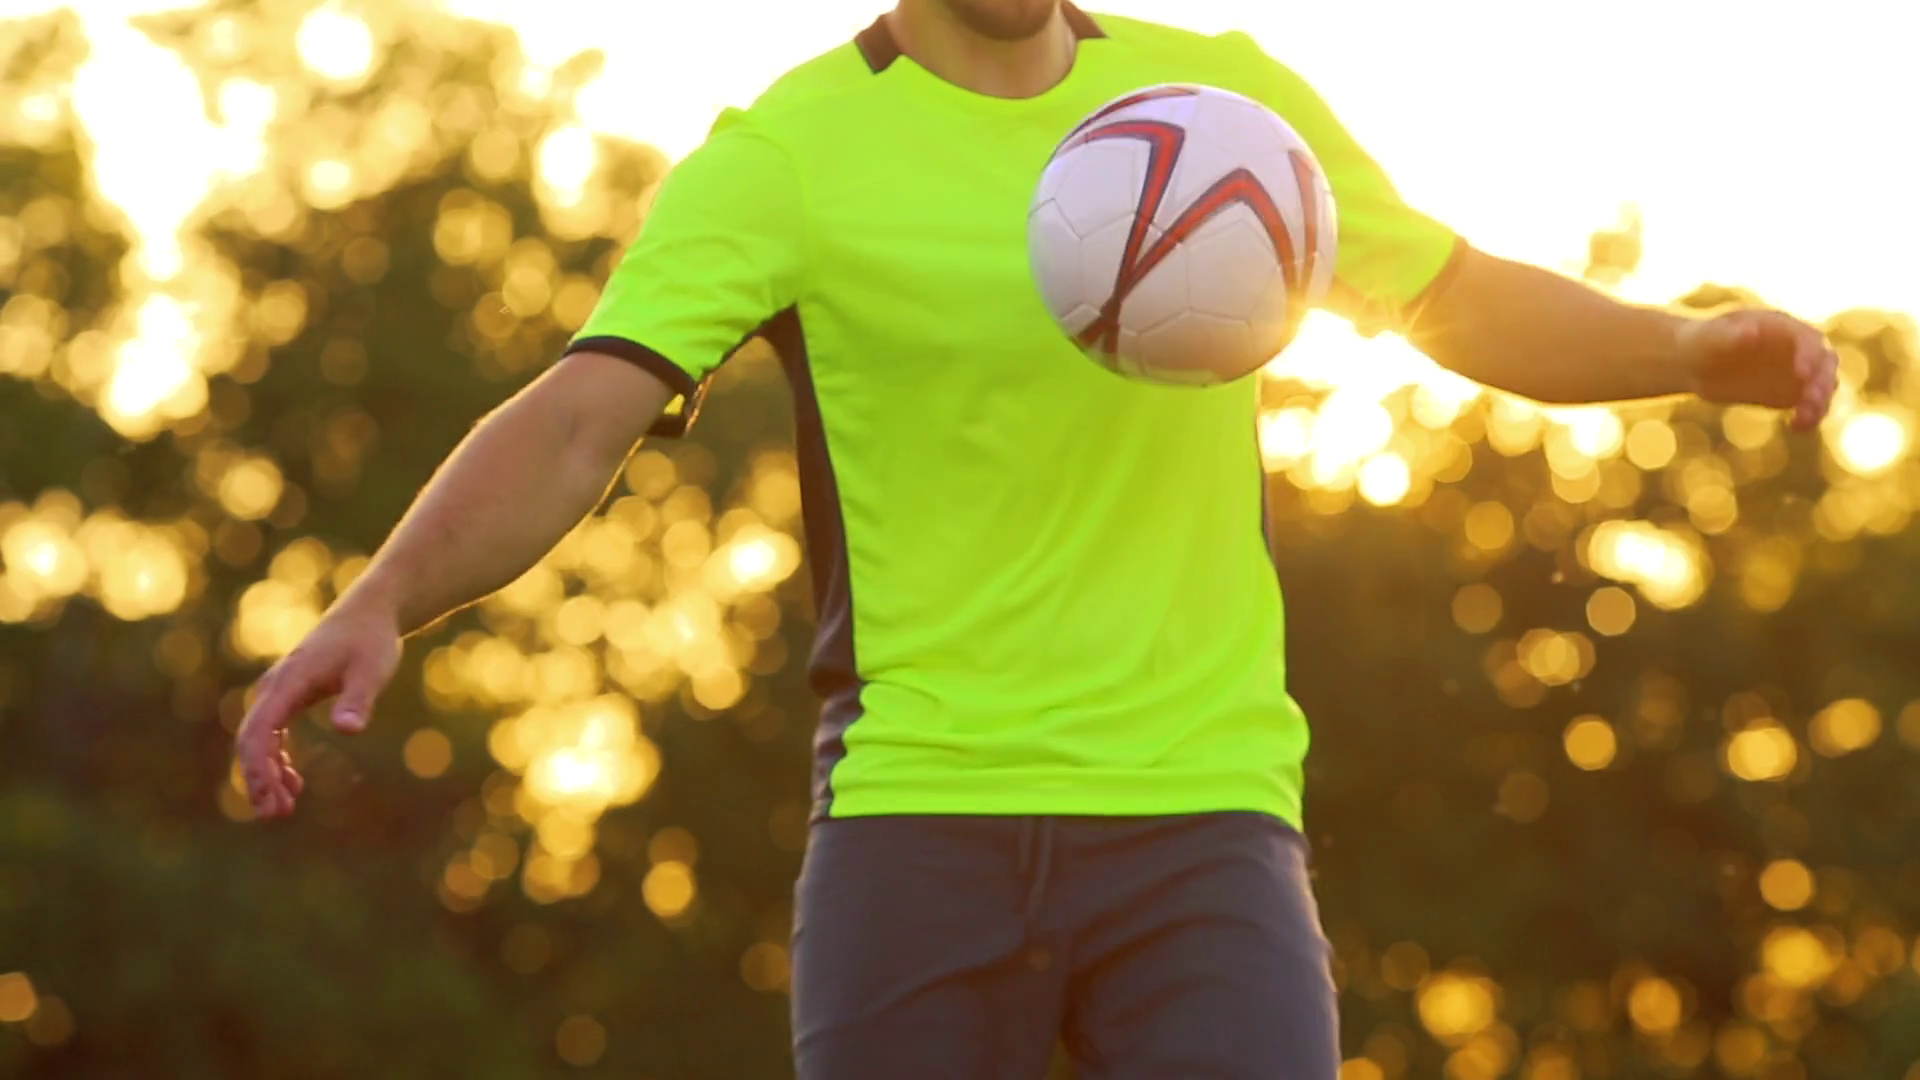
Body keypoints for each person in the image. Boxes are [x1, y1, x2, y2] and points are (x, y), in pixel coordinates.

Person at [234, 1, 1839, 1076]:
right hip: (918, 819)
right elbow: (582, 417)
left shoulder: (1224, 107)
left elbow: (1453, 297)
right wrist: (386, 600)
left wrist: (1684, 351)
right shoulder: (789, 156)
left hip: (1203, 817)